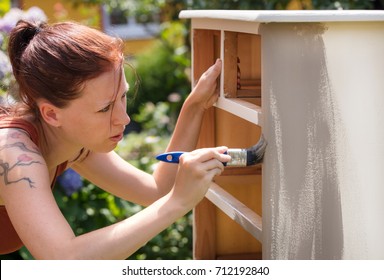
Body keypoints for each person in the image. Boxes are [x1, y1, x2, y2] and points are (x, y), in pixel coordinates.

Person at [0, 19, 229, 259]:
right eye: (105, 108)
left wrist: (195, 106)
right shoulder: (14, 154)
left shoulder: (72, 138)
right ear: (52, 113)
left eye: (122, 97)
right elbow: (64, 261)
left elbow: (156, 190)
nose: (124, 118)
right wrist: (177, 203)